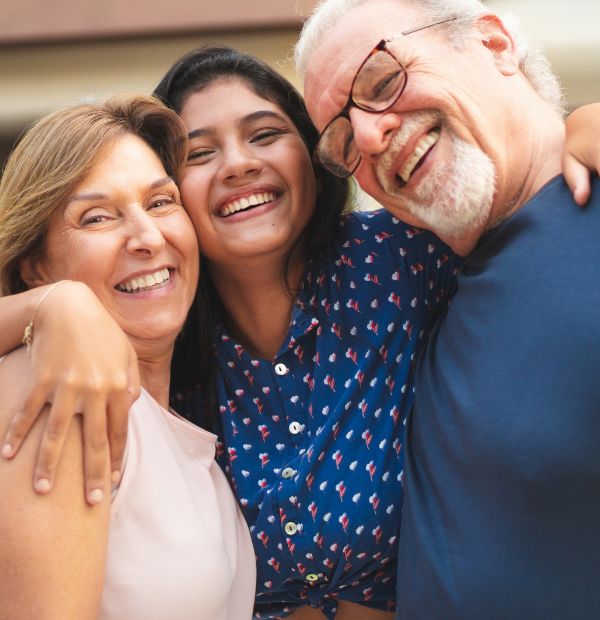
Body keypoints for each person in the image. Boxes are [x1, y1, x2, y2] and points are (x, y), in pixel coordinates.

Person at [0, 48, 597, 619]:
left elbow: (519, 196)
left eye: (264, 135)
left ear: (317, 155)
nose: (239, 164)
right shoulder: (151, 340)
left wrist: (578, 123)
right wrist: (53, 306)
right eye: (200, 154)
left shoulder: (403, 256)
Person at [295, 0, 600, 618]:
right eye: (343, 141)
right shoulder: (406, 292)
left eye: (384, 80)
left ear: (493, 43)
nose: (372, 136)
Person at [0, 94, 255, 619]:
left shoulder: (180, 420)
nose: (147, 236)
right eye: (97, 218)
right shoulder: (55, 384)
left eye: (161, 202)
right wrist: (54, 304)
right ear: (35, 269)